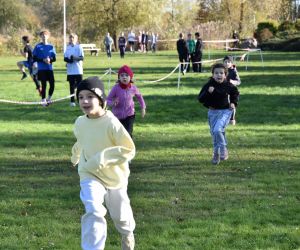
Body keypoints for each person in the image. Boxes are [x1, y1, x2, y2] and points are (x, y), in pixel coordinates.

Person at [71, 76, 136, 250]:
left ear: (100, 99)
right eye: (81, 97)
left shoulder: (111, 123)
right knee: (93, 209)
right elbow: (82, 141)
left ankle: (127, 234)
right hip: (89, 172)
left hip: (115, 177)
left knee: (121, 216)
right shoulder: (80, 122)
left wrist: (102, 158)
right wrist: (75, 156)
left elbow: (129, 149)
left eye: (90, 96)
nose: (85, 101)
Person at [198, 63, 239, 165]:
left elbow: (235, 93)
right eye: (216, 73)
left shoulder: (228, 85)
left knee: (217, 130)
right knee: (215, 134)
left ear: (225, 75)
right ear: (213, 74)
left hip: (225, 111)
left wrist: (233, 103)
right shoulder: (209, 85)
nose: (219, 75)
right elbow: (201, 99)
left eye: (221, 73)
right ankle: (216, 154)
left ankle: (223, 148)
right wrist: (208, 92)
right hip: (212, 113)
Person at [106, 65, 146, 138]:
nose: (124, 77)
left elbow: (140, 97)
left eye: (126, 75)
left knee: (128, 133)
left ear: (130, 77)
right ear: (119, 77)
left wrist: (143, 108)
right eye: (122, 75)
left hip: (129, 114)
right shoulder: (116, 88)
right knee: (118, 134)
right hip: (117, 116)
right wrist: (112, 103)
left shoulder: (133, 88)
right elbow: (107, 100)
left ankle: (129, 147)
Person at [32, 29, 56, 106]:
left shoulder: (51, 46)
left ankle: (48, 99)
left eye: (45, 35)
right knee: (44, 85)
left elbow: (54, 58)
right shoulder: (38, 46)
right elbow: (34, 58)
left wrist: (50, 60)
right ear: (40, 37)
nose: (44, 37)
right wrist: (43, 60)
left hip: (49, 69)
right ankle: (43, 100)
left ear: (48, 36)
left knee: (52, 84)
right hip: (41, 69)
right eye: (42, 35)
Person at [64, 33, 84, 107]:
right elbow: (65, 58)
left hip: (78, 70)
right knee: (71, 86)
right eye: (70, 38)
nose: (71, 39)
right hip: (70, 71)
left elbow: (81, 58)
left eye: (73, 38)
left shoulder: (79, 47)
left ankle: (80, 100)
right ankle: (72, 101)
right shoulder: (68, 47)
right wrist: (69, 61)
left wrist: (74, 58)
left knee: (80, 86)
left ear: (76, 39)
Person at [223, 55, 241, 125]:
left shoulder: (234, 71)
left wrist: (232, 81)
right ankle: (224, 119)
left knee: (231, 105)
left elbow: (238, 81)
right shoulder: (221, 70)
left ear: (231, 63)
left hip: (232, 91)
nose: (227, 63)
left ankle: (232, 119)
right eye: (225, 62)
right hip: (223, 91)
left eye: (229, 62)